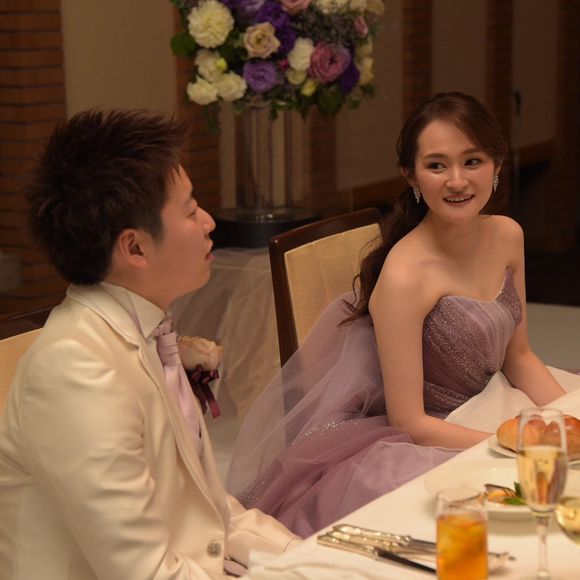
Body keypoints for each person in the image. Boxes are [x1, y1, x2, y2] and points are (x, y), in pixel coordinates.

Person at [227, 92, 580, 537]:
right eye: (436, 166)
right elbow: (410, 422)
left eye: (472, 161)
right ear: (410, 175)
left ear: (496, 166)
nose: (457, 181)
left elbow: (520, 357)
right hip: (437, 434)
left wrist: (565, 423)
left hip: (501, 403)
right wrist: (511, 447)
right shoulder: (404, 276)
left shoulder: (508, 234)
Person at [0, 110, 299, 580]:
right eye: (190, 210)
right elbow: (145, 571)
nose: (209, 222)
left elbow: (213, 513)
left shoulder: (145, 330)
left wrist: (312, 558)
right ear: (135, 248)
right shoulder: (77, 370)